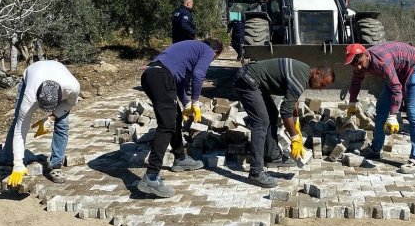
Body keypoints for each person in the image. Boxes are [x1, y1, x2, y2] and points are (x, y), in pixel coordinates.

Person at [137, 38, 223, 198]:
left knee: (174, 118)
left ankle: (180, 158)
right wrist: (196, 101)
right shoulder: (206, 51)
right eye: (214, 59)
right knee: (167, 126)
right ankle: (151, 176)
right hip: (161, 77)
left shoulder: (189, 51)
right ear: (215, 53)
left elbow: (180, 84)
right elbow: (199, 75)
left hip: (151, 75)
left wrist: (187, 104)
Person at [234, 58, 335, 188]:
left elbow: (293, 104)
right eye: (322, 84)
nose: (320, 89)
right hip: (246, 80)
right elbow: (285, 111)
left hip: (254, 81)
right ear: (317, 73)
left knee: (272, 114)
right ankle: (256, 173)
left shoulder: (303, 71)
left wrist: (296, 123)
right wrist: (295, 138)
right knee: (261, 122)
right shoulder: (300, 78)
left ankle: (272, 156)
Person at [345, 42, 415, 174]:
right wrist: (352, 103)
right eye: (354, 64)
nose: (359, 66)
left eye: (359, 61)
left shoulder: (381, 62)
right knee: (382, 106)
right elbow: (356, 82)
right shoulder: (360, 65)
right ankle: (376, 148)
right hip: (399, 71)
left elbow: (396, 89)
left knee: (413, 112)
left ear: (366, 55)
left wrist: (393, 116)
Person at [0, 60, 80, 188]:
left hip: (58, 72)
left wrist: (52, 118)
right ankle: (8, 161)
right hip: (32, 74)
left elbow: (70, 103)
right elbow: (20, 129)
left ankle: (56, 165)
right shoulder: (30, 96)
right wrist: (19, 163)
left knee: (62, 125)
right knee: (17, 122)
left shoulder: (72, 88)